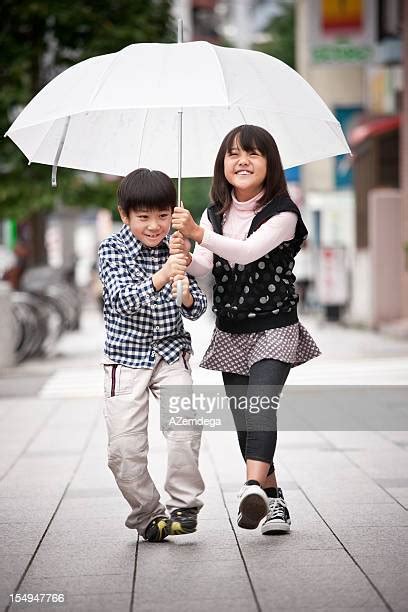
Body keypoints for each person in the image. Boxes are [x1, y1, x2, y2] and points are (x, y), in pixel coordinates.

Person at [171, 125, 321, 535]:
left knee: (261, 405)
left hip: (276, 326)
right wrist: (185, 251)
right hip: (232, 329)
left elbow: (247, 252)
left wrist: (200, 235)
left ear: (269, 164)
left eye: (253, 154)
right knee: (244, 423)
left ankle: (252, 485)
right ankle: (274, 502)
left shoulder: (283, 212)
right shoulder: (213, 212)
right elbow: (208, 265)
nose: (242, 161)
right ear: (223, 164)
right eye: (234, 154)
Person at [98, 168, 207, 542]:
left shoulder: (176, 247)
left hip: (172, 352)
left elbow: (197, 309)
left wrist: (185, 287)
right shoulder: (111, 249)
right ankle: (148, 514)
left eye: (162, 215)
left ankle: (184, 505)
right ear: (124, 214)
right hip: (126, 359)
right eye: (143, 217)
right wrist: (162, 276)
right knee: (123, 450)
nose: (154, 225)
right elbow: (120, 300)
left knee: (185, 428)